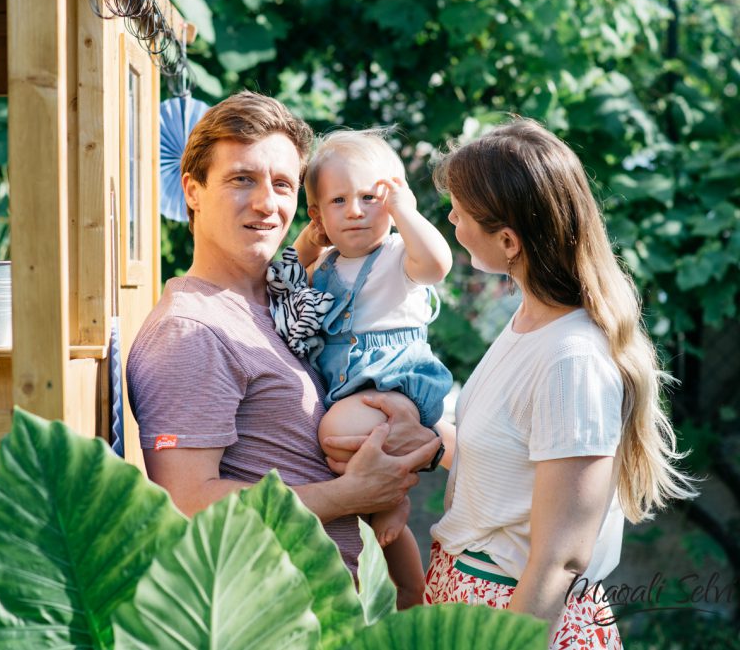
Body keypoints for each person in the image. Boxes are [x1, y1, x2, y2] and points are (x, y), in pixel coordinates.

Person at [125, 92, 441, 577]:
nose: (266, 203)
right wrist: (349, 495)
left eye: (282, 184)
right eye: (241, 179)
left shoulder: (284, 303)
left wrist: (407, 422)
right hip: (264, 619)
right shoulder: (191, 332)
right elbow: (189, 505)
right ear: (192, 191)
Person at [414, 119, 694, 648]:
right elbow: (518, 470)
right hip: (467, 602)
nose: (449, 217)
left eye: (461, 211)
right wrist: (428, 441)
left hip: (517, 620)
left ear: (508, 240)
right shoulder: (528, 321)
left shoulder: (572, 360)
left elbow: (559, 559)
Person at [269, 129, 452, 606]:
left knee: (340, 432)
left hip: (396, 380)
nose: (356, 210)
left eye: (372, 197)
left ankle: (393, 499)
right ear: (318, 215)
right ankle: (411, 590)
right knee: (371, 514)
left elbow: (437, 265)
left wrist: (406, 213)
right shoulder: (325, 264)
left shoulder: (397, 257)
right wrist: (309, 244)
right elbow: (280, 279)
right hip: (350, 386)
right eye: (339, 200)